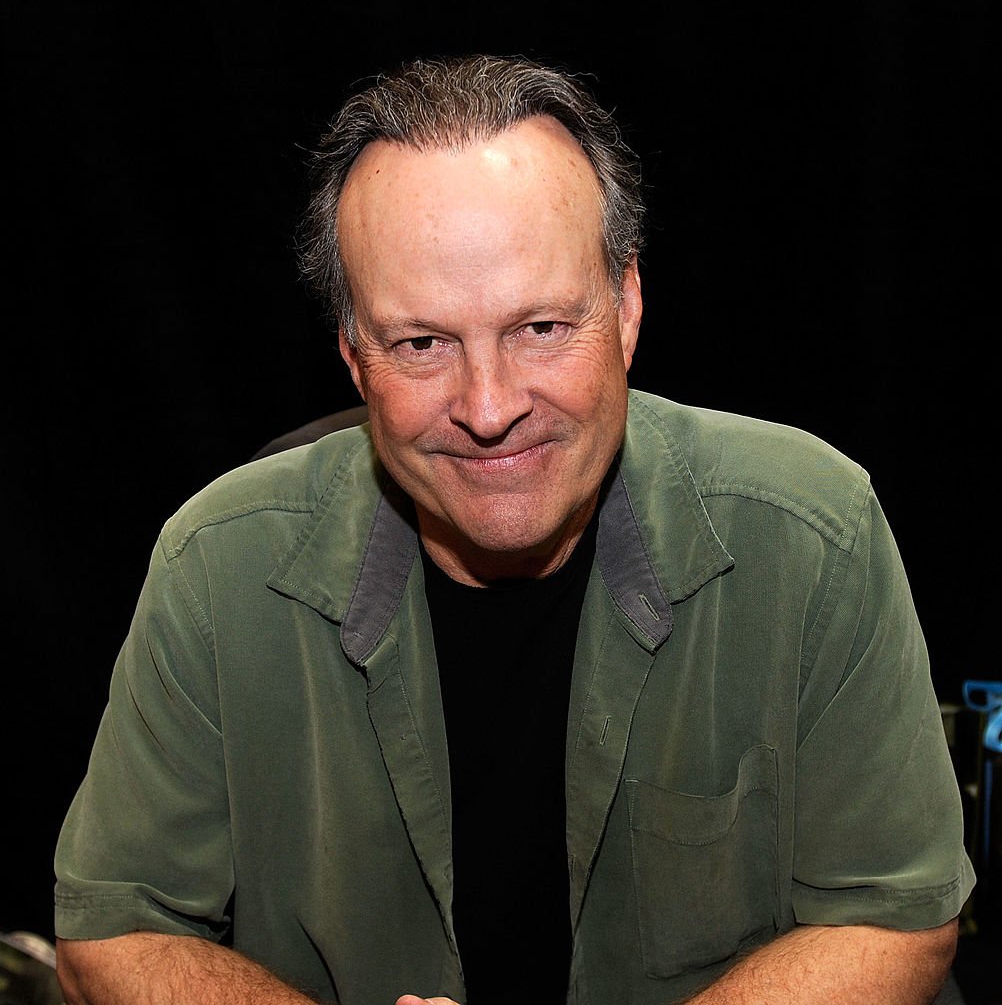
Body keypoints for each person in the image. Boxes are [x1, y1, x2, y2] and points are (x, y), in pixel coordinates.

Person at [53, 54, 975, 1005]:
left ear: (625, 312)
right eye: (422, 344)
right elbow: (110, 930)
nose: (488, 407)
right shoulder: (217, 568)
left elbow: (897, 918)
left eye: (540, 327)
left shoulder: (813, 535)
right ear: (353, 356)